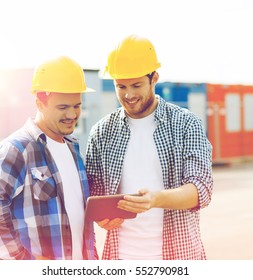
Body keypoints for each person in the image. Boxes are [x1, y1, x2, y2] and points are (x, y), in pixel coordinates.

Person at [85, 35, 213, 260]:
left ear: (154, 78)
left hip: (179, 258)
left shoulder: (186, 124)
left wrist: (155, 199)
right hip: (121, 258)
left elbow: (200, 190)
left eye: (136, 85)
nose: (128, 95)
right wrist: (103, 219)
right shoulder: (101, 133)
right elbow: (94, 197)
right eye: (120, 86)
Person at [0, 56, 97, 260]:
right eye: (63, 107)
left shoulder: (73, 148)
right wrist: (22, 261)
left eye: (76, 106)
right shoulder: (17, 149)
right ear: (40, 103)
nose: (72, 114)